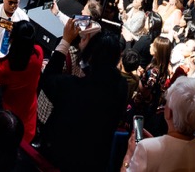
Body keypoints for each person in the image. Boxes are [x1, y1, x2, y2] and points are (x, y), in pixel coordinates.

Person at [38, 26, 129, 172]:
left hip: (59, 158)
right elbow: (102, 73)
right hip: (94, 162)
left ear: (91, 57)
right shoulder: (121, 87)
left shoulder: (72, 87)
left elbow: (47, 79)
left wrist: (66, 41)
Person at [123, 75, 195, 172]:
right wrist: (154, 142)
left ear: (169, 112)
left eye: (167, 102)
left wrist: (129, 154)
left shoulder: (146, 148)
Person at [0, 20, 43, 142]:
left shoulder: (3, 68)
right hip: (29, 125)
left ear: (12, 40)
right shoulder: (39, 54)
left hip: (9, 127)